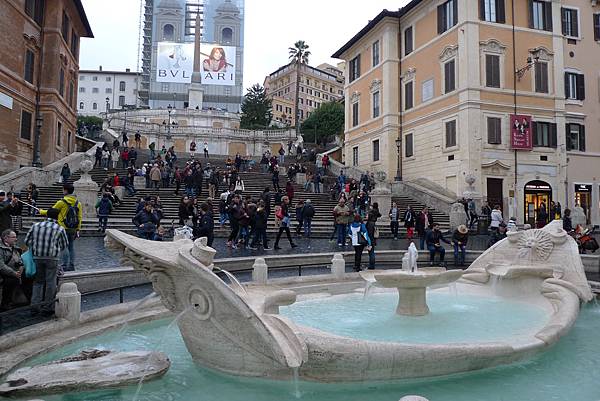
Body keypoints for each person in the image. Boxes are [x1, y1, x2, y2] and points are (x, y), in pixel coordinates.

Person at [25, 208, 69, 316]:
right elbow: (64, 245)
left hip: (37, 257)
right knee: (51, 282)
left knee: (38, 282)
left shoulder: (35, 226)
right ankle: (48, 307)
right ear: (57, 216)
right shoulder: (60, 228)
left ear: (46, 215)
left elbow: (27, 241)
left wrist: (36, 247)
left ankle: (34, 306)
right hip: (52, 258)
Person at [38, 184, 82, 272]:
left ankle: (65, 265)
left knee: (63, 246)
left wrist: (41, 211)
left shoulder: (61, 202)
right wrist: (78, 229)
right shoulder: (78, 203)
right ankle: (71, 265)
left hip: (63, 227)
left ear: (65, 191)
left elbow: (51, 212)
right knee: (71, 246)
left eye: (63, 190)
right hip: (73, 228)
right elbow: (79, 217)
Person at [0, 229, 24, 311]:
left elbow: (20, 260)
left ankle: (28, 302)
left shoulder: (16, 248)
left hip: (15, 272)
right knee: (11, 280)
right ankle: (5, 304)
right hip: (5, 274)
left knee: (29, 276)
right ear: (6, 238)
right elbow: (1, 266)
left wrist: (21, 267)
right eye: (13, 237)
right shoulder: (0, 249)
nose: (16, 239)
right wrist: (14, 273)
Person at [365, 203, 381, 269]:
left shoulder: (369, 224)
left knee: (371, 253)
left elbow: (369, 233)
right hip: (373, 239)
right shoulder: (373, 223)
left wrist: (368, 241)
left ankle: (371, 265)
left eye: (367, 215)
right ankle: (372, 264)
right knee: (372, 252)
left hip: (370, 240)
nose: (366, 216)